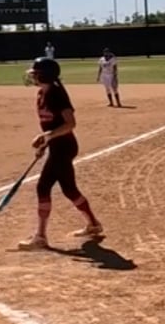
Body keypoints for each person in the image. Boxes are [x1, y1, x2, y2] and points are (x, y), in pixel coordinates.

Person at [18, 56, 103, 249]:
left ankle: (40, 237)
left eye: (36, 73)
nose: (33, 76)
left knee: (43, 187)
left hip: (64, 147)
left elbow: (70, 123)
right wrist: (45, 144)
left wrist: (48, 136)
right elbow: (50, 126)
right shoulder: (42, 94)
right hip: (58, 147)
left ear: (44, 75)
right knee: (69, 189)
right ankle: (93, 224)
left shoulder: (56, 94)